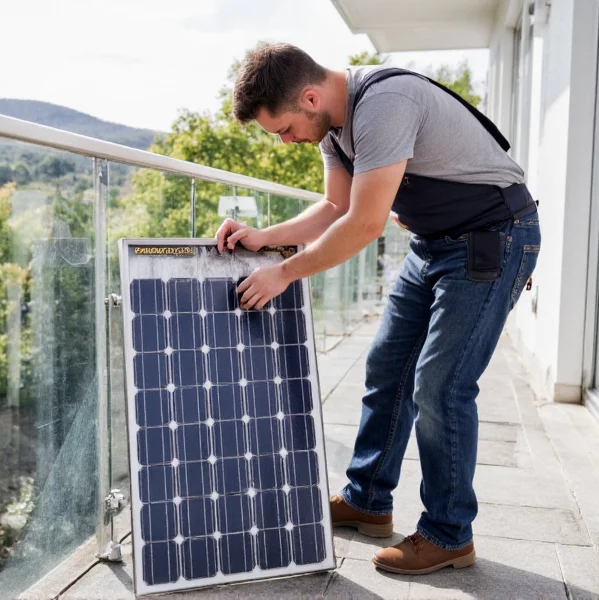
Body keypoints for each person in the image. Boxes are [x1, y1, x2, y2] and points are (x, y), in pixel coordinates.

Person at [215, 42, 541, 575]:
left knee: (441, 385)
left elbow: (365, 224)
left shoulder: (385, 103)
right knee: (388, 366)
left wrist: (285, 272)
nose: (287, 140)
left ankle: (448, 534)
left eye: (284, 129)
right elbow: (336, 206)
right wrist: (264, 237)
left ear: (310, 97)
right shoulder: (331, 127)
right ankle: (367, 499)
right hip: (433, 244)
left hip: (494, 238)